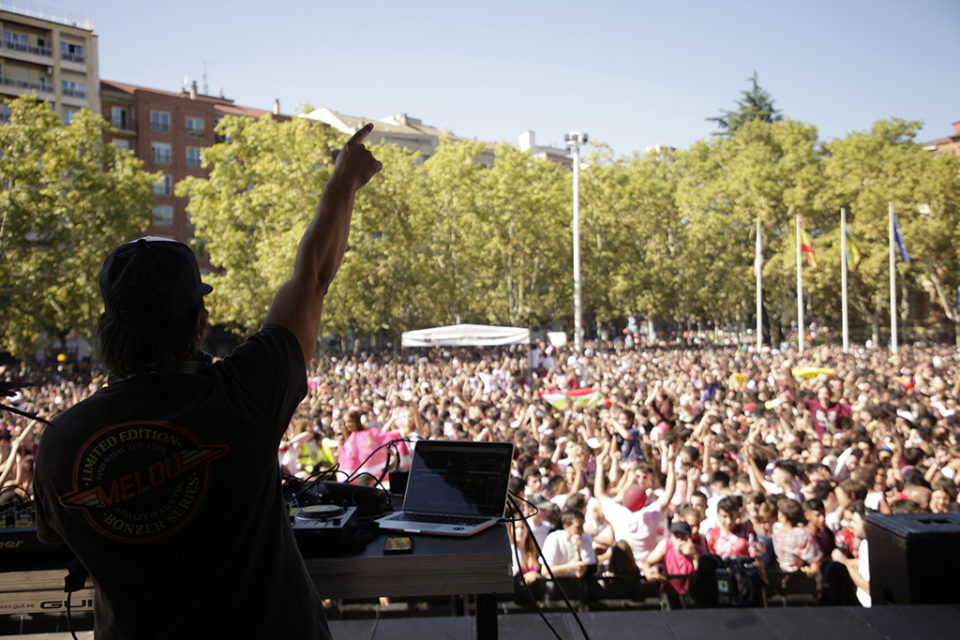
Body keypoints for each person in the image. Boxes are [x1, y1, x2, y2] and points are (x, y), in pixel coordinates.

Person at [33, 125, 382, 638]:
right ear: (198, 323)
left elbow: (53, 536)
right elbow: (312, 277)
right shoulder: (245, 393)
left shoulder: (61, 443)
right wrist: (345, 180)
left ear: (106, 330)